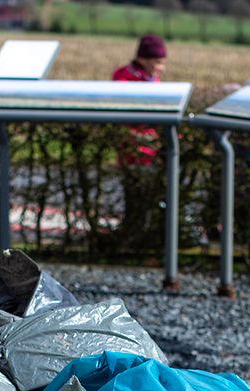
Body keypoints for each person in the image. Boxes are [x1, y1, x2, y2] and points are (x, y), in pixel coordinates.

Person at [111, 35, 168, 248]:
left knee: (147, 198)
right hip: (135, 149)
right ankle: (134, 236)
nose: (161, 67)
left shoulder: (150, 79)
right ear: (144, 59)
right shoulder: (126, 79)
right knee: (135, 196)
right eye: (157, 62)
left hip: (150, 149)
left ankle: (141, 235)